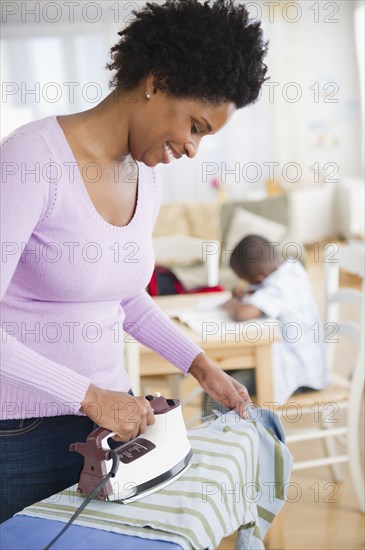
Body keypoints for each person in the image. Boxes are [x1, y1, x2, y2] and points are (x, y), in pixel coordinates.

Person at [0, 0, 269, 522]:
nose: (192, 149)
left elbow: (123, 296)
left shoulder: (146, 174)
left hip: (114, 419)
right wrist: (89, 396)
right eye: (194, 125)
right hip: (25, 430)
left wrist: (201, 366)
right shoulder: (30, 162)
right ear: (156, 80)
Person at [207, 234, 329, 410]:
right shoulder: (292, 269)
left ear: (259, 277)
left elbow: (243, 313)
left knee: (221, 391)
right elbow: (263, 291)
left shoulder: (279, 287)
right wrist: (249, 291)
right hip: (311, 367)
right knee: (220, 377)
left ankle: (231, 435)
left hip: (299, 376)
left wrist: (232, 303)